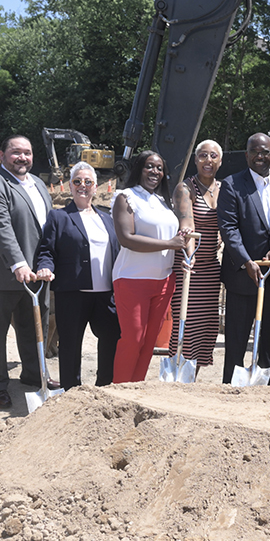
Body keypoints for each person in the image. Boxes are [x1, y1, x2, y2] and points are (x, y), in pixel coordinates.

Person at [0, 135, 57, 409]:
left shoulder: (39, 185)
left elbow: (46, 228)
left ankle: (34, 374)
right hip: (1, 275)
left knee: (35, 329)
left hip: (37, 276)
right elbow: (0, 228)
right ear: (2, 155)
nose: (22, 158)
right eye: (16, 152)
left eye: (28, 153)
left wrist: (48, 262)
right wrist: (18, 263)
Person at [217, 133, 270, 384]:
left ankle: (266, 379)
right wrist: (245, 260)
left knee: (268, 337)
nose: (259, 156)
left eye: (265, 152)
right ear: (246, 155)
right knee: (237, 336)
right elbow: (228, 228)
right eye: (254, 151)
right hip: (242, 275)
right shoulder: (231, 184)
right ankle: (232, 383)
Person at [35, 162, 121, 389]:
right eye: (77, 181)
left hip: (106, 293)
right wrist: (45, 267)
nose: (82, 186)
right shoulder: (59, 217)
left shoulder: (107, 219)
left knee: (112, 338)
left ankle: (105, 386)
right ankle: (71, 391)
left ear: (95, 187)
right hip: (72, 292)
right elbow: (46, 250)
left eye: (88, 182)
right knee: (70, 345)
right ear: (70, 186)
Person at [111, 150, 188, 382]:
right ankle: (120, 389)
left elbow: (172, 240)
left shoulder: (163, 203)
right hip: (132, 280)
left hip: (163, 281)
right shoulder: (125, 198)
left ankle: (137, 387)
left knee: (149, 342)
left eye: (159, 168)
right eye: (149, 166)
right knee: (133, 339)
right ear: (139, 169)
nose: (155, 172)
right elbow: (127, 238)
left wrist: (181, 251)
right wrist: (169, 243)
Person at [168, 139, 224, 377]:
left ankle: (192, 378)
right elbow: (187, 224)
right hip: (188, 268)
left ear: (220, 161)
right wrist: (189, 257)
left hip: (211, 270)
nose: (208, 161)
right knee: (185, 326)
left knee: (206, 328)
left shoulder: (224, 189)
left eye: (213, 156)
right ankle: (177, 377)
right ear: (195, 159)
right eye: (202, 155)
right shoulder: (185, 188)